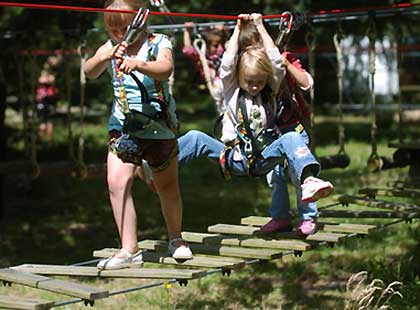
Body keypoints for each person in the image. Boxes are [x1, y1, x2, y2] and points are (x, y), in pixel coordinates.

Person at [177, 14, 333, 236]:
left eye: (259, 82)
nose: (254, 86)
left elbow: (277, 63)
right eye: (250, 81)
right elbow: (228, 63)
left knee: (291, 139)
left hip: (262, 157)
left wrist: (260, 26)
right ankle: (159, 168)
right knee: (194, 137)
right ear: (240, 76)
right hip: (235, 157)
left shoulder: (268, 93)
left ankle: (309, 181)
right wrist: (238, 29)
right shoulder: (232, 93)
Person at [84, 0, 192, 270]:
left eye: (123, 29)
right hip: (124, 129)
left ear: (140, 22)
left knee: (167, 188)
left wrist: (139, 64)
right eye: (113, 31)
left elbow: (165, 68)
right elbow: (89, 71)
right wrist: (102, 58)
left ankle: (176, 239)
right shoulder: (110, 47)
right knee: (116, 183)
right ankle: (129, 249)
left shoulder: (159, 42)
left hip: (159, 128)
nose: (119, 35)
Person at [183, 22, 226, 114]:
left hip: (223, 81)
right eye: (215, 45)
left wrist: (219, 30)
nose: (218, 47)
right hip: (213, 82)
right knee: (221, 106)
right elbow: (188, 50)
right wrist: (187, 31)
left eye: (218, 44)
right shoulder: (201, 54)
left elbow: (222, 44)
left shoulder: (218, 53)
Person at [36, 56, 61, 143]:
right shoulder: (48, 74)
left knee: (48, 120)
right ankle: (43, 141)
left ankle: (48, 142)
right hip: (44, 100)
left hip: (49, 100)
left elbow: (47, 80)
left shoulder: (52, 75)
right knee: (43, 121)